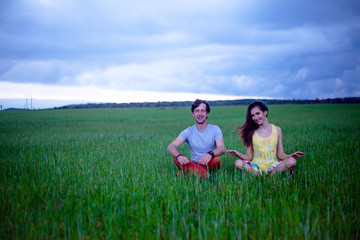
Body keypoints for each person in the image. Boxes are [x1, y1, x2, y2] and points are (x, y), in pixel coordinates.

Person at [226, 101, 305, 176]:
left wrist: (292, 155)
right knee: (238, 163)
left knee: (292, 161)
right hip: (256, 167)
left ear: (265, 112)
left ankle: (271, 176)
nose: (255, 117)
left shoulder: (277, 130)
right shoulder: (251, 132)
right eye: (253, 115)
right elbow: (249, 157)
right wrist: (238, 154)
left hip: (273, 166)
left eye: (257, 113)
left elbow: (281, 155)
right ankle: (260, 176)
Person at [167, 99, 225, 178]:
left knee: (216, 160)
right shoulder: (188, 131)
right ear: (193, 114)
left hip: (210, 162)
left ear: (207, 113)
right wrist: (178, 156)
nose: (200, 114)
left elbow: (221, 149)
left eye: (202, 111)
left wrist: (209, 154)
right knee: (175, 158)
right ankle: (206, 176)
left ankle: (188, 172)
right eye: (197, 111)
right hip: (193, 162)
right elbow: (171, 147)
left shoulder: (215, 129)